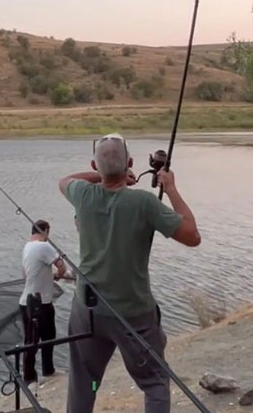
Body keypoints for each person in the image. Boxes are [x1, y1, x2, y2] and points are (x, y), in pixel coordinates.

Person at [58, 132, 201, 413]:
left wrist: (101, 173)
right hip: (134, 314)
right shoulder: (144, 204)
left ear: (94, 165)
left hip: (87, 310)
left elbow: (64, 181)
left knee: (86, 382)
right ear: (131, 163)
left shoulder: (83, 195)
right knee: (155, 382)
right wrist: (170, 187)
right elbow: (192, 236)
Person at [20, 219, 68, 383]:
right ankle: (47, 371)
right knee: (48, 338)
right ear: (46, 231)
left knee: (30, 341)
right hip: (40, 303)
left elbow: (26, 274)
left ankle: (29, 377)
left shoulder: (27, 247)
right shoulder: (44, 246)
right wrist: (58, 276)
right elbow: (62, 267)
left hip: (27, 301)